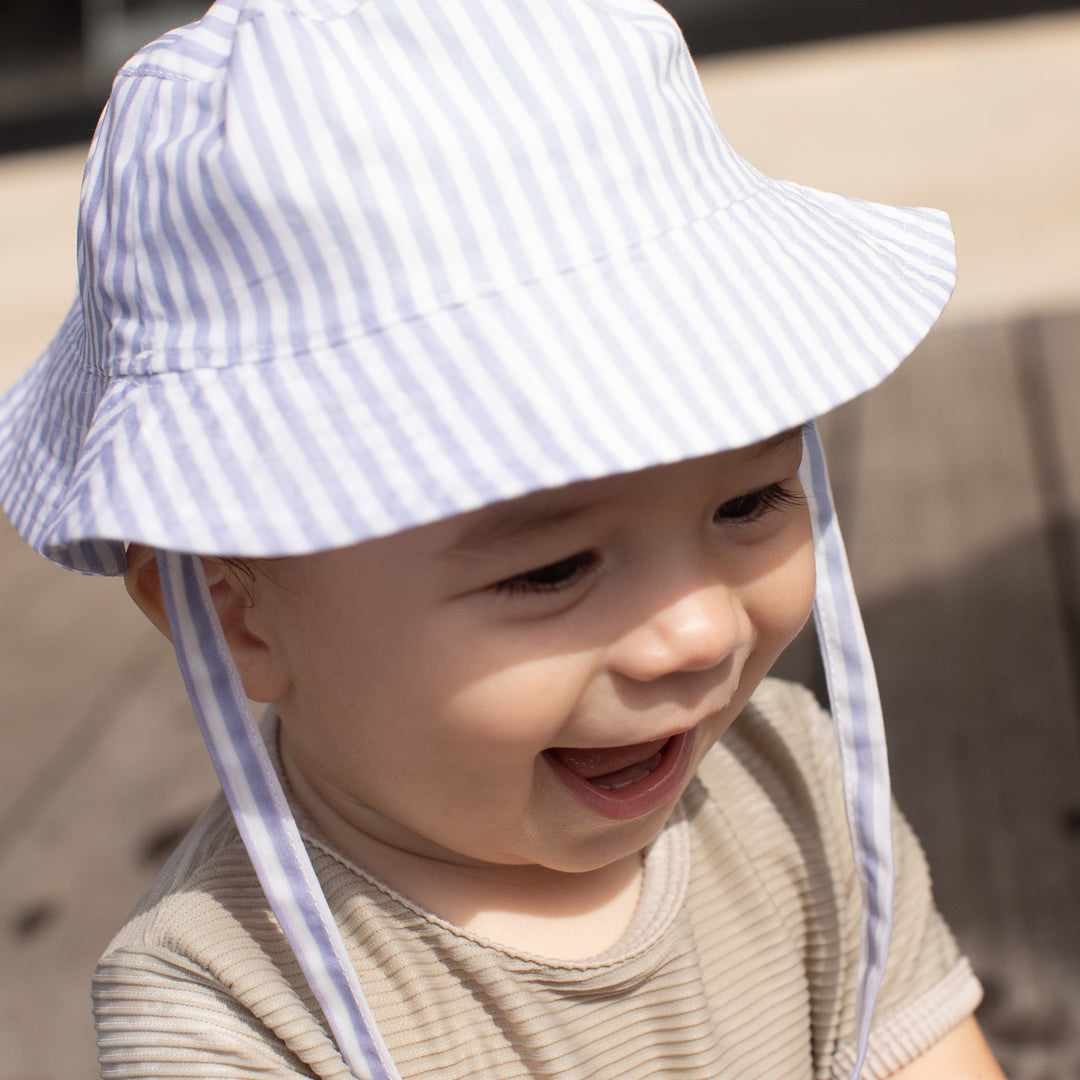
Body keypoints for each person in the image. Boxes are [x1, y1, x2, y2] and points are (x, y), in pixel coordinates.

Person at [0, 0, 1006, 1077]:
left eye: (751, 502)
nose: (701, 631)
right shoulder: (231, 1009)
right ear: (231, 606)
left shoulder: (794, 781)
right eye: (553, 568)